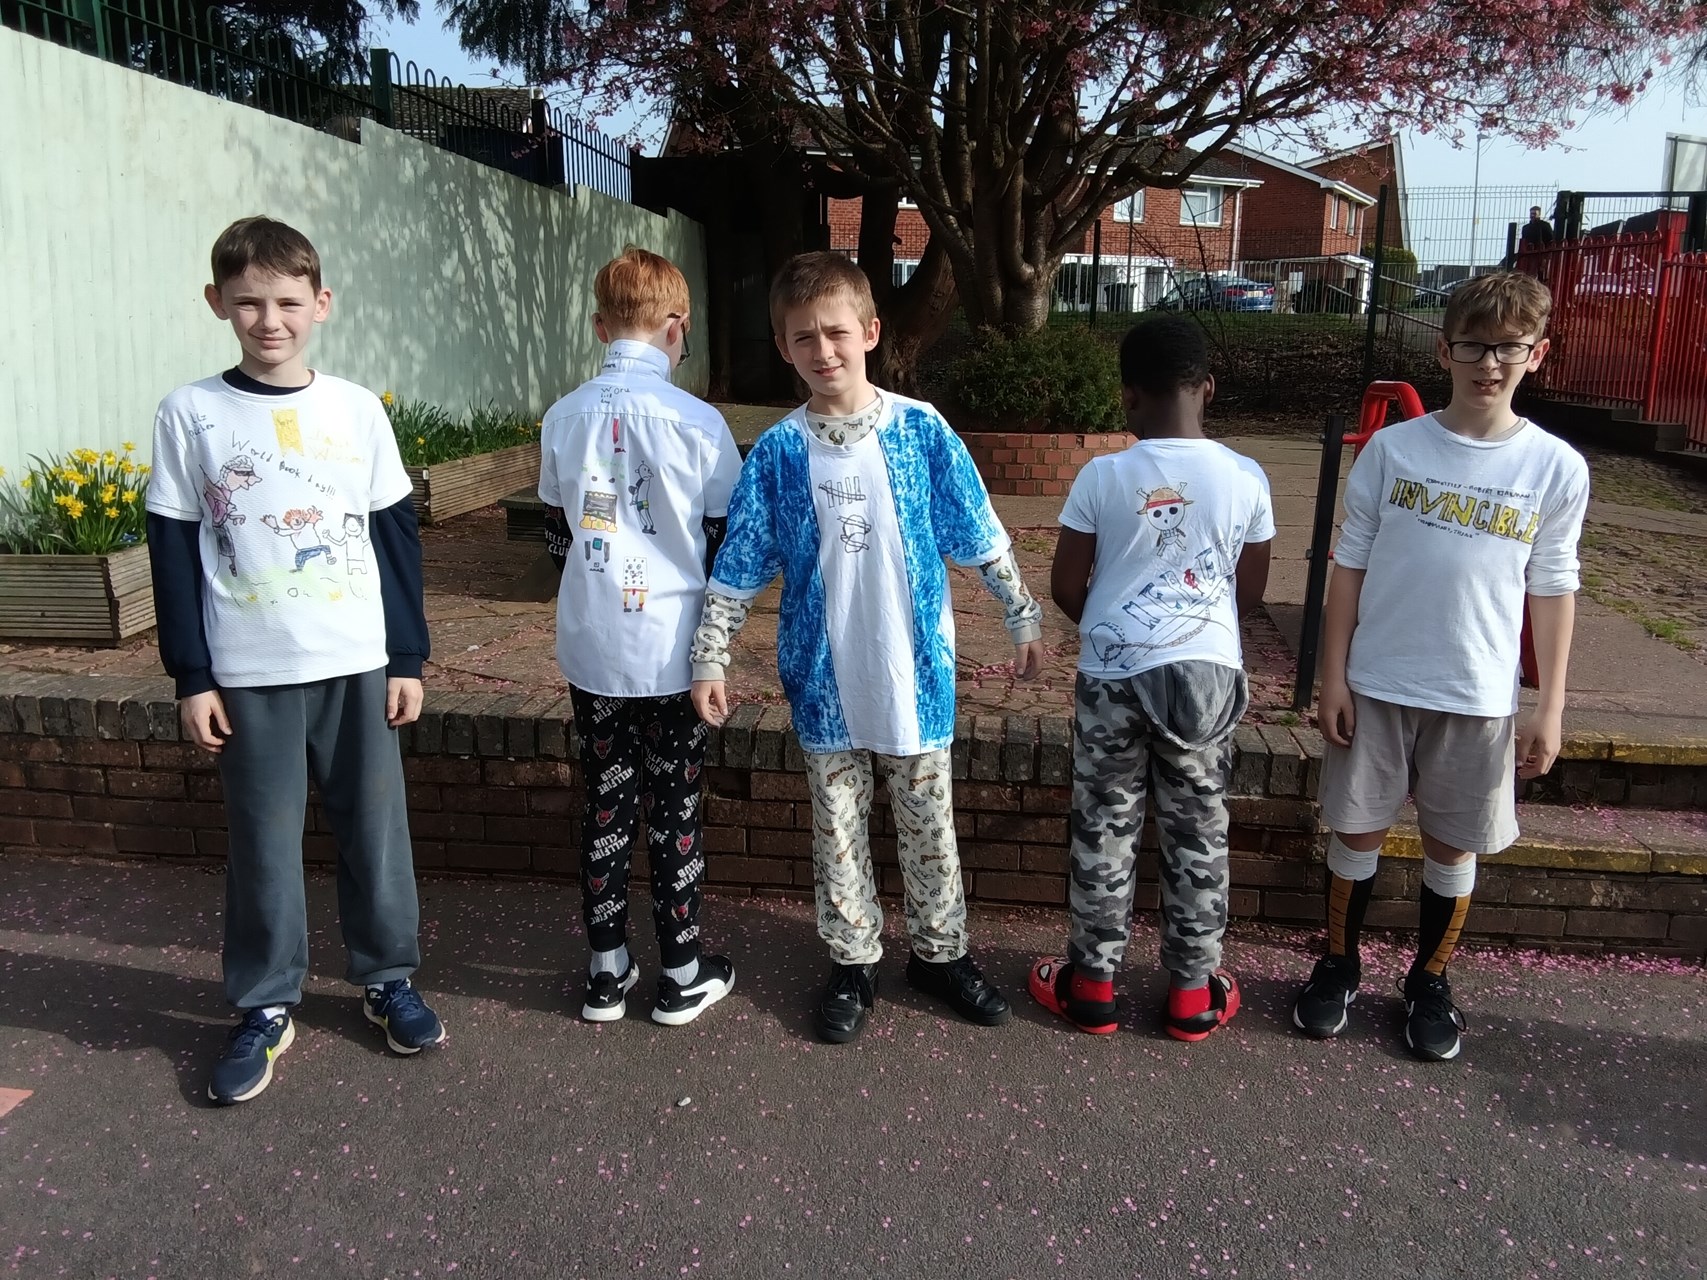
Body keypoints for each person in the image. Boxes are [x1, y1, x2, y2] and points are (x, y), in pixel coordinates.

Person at [689, 252, 1047, 1044]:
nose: (823, 351)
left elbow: (976, 526)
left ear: (871, 332)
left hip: (914, 674)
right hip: (823, 680)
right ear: (782, 347)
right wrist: (710, 653)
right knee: (838, 830)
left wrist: (1019, 613)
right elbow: (740, 560)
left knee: (928, 824)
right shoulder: (778, 453)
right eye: (803, 337)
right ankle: (852, 961)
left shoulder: (920, 430)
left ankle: (940, 955)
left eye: (836, 332)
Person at [146, 216, 444, 1106]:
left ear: (321, 303)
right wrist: (192, 675)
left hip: (357, 662)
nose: (268, 320)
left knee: (376, 835)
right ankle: (265, 1003)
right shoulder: (190, 413)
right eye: (248, 303)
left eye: (286, 302)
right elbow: (172, 548)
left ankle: (387, 978)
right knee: (264, 847)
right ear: (217, 304)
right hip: (249, 670)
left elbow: (395, 537)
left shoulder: (356, 409)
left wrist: (407, 656)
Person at [1291, 271, 1589, 1062]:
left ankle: (1428, 979)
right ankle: (1338, 964)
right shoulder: (1393, 450)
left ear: (1537, 354)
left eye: (1508, 348)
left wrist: (1550, 706)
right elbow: (1347, 566)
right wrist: (1331, 676)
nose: (1488, 363)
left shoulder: (1554, 468)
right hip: (1377, 682)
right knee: (1355, 830)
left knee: (1453, 847)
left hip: (1478, 692)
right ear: (1442, 350)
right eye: (1472, 346)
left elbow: (1552, 587)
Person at [1029, 315, 1273, 1041]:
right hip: (1206, 673)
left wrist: (1117, 626)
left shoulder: (1103, 475)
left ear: (1128, 396)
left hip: (1114, 672)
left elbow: (1065, 585)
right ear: (1208, 389)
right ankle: (1192, 996)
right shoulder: (1246, 476)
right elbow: (1249, 592)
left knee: (1104, 824)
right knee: (1197, 831)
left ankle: (1092, 987)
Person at [538, 246, 742, 1026]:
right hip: (674, 649)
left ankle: (605, 968)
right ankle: (682, 970)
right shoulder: (700, 423)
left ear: (600, 326)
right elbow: (724, 543)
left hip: (594, 644)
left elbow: (557, 534)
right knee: (674, 805)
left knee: (605, 798)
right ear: (676, 327)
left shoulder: (563, 416)